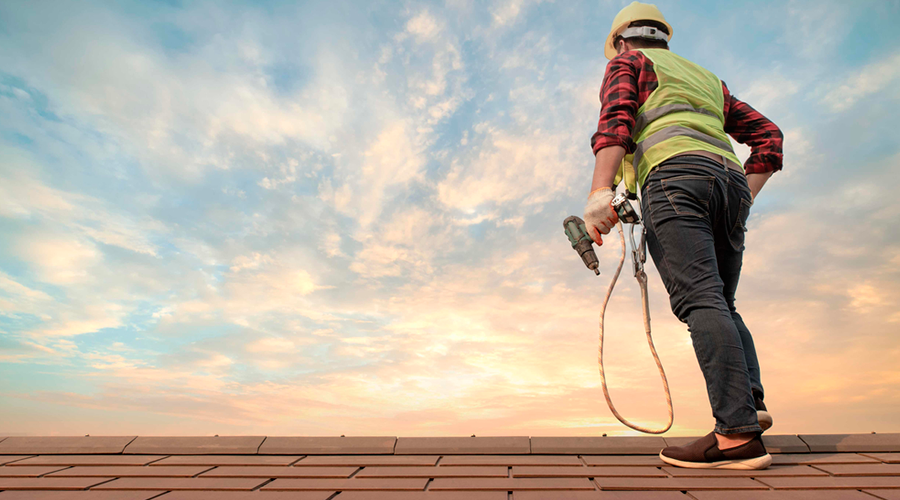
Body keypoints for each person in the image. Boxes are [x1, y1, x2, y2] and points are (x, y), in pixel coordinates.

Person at [583, 1, 784, 469]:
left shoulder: (627, 63)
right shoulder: (709, 81)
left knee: (701, 301)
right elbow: (769, 136)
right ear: (663, 38)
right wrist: (745, 195)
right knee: (720, 302)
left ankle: (737, 436)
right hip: (730, 183)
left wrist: (599, 192)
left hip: (674, 180)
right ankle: (748, 405)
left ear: (620, 40)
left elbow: (616, 121)